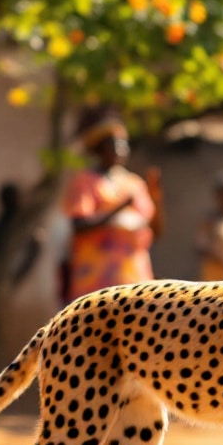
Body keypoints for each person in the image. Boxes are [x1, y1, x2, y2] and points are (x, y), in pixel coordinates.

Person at [62, 110, 163, 302]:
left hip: (134, 278)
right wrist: (119, 208)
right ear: (100, 149)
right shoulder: (86, 182)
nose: (121, 150)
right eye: (114, 146)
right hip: (96, 278)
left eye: (124, 146)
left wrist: (157, 199)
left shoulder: (134, 183)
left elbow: (154, 231)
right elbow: (79, 226)